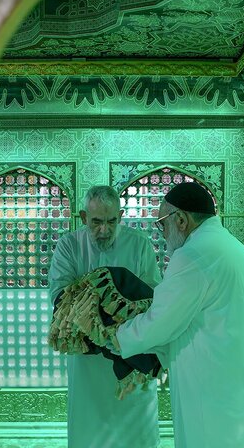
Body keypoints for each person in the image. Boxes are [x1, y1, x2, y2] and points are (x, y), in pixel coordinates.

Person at [116, 182, 244, 448]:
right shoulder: (235, 249)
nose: (162, 234)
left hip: (222, 393)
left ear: (180, 220)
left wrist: (117, 335)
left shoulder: (192, 256)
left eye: (162, 224)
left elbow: (160, 323)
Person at [48, 185, 161, 448]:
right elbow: (59, 295)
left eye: (111, 221)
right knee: (89, 427)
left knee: (136, 428)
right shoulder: (69, 246)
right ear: (84, 217)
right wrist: (99, 321)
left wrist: (121, 330)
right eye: (97, 222)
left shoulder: (139, 244)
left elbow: (153, 296)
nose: (104, 230)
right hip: (86, 357)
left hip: (131, 351)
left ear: (120, 216)